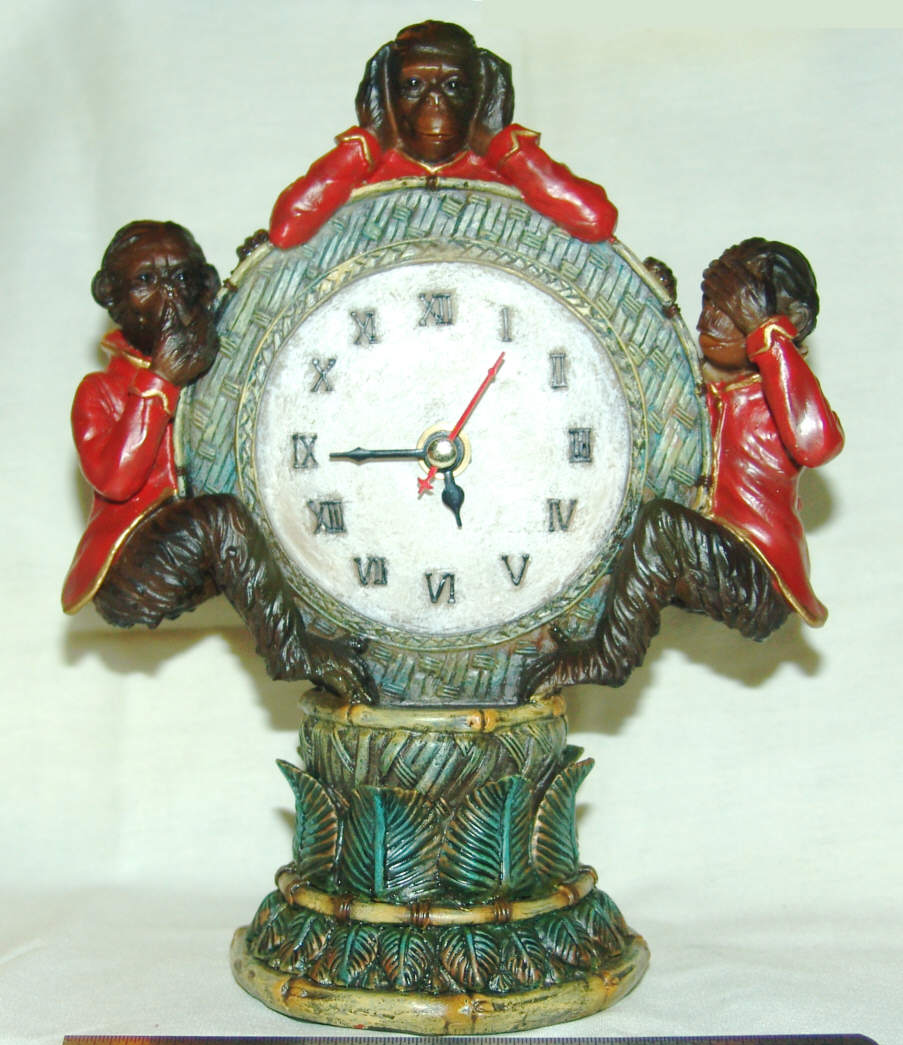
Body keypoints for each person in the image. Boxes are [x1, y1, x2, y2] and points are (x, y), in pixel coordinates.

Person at [62, 220, 376, 703]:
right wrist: (161, 380)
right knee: (220, 519)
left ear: (206, 287)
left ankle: (331, 623)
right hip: (135, 565)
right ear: (109, 294)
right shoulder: (100, 392)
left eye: (181, 279)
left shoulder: (214, 369)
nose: (168, 295)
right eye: (145, 281)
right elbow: (117, 479)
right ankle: (291, 652)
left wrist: (268, 271)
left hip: (219, 545)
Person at [522, 238, 844, 697]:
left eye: (734, 311)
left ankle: (611, 657)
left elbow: (816, 443)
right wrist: (653, 312)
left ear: (788, 323)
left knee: (661, 526)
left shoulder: (782, 398)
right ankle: (572, 624)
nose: (709, 320)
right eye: (710, 302)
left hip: (755, 575)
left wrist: (768, 337)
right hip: (696, 554)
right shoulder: (704, 388)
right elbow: (650, 393)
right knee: (613, 505)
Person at [268, 20, 618, 249]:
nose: (434, 102)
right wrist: (368, 142)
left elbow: (595, 220)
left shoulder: (503, 173)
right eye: (413, 85)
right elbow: (286, 231)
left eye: (453, 85)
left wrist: (503, 148)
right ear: (389, 97)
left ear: (479, 96)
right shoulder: (366, 174)